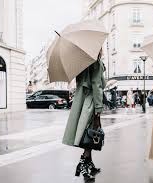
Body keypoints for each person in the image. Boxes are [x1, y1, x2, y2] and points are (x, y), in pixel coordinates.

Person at [62, 50, 106, 181]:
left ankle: (89, 164)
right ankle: (83, 164)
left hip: (81, 99)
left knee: (88, 134)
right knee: (91, 132)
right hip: (91, 101)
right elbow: (97, 85)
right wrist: (98, 107)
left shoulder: (81, 64)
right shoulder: (96, 63)